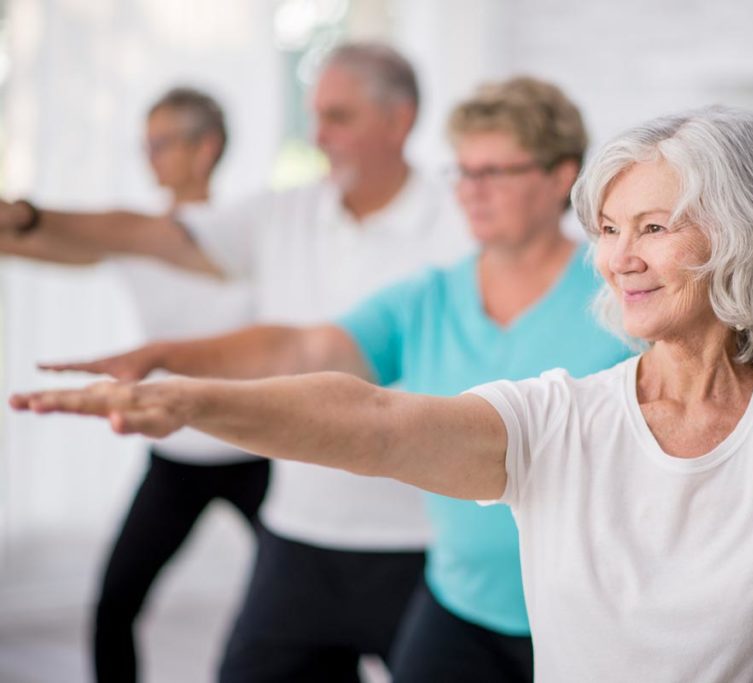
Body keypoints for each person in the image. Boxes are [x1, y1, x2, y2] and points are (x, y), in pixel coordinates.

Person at [13, 105, 753, 683]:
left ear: (744, 235)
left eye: (655, 226)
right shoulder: (558, 419)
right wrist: (195, 398)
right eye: (610, 228)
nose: (621, 257)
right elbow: (370, 418)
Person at [33, 77, 634, 682]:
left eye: (495, 173)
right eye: (463, 172)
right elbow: (303, 345)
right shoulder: (429, 297)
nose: (472, 192)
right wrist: (166, 360)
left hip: (587, 615)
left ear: (560, 177)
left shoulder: (621, 300)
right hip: (461, 606)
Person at [3, 43, 469, 681]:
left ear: (399, 120)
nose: (318, 135)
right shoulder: (283, 212)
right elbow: (146, 234)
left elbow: (309, 348)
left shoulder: (462, 221)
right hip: (298, 533)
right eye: (315, 115)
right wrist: (30, 218)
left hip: (419, 541)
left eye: (338, 117)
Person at [0, 86, 269, 683]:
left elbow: (135, 232)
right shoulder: (130, 238)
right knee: (115, 605)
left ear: (207, 149)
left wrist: (24, 212)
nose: (150, 156)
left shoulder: (245, 228)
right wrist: (16, 224)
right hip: (177, 451)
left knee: (303, 604)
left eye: (163, 142)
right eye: (145, 143)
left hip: (257, 451)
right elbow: (38, 242)